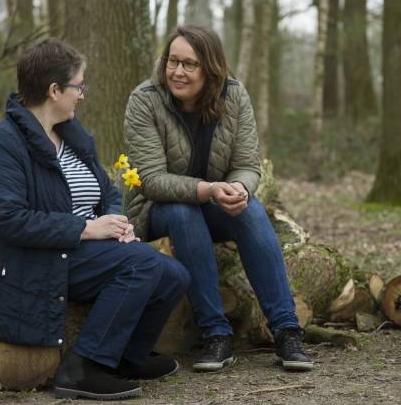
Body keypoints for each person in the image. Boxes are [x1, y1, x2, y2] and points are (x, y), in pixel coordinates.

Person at [0, 39, 190, 400]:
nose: (82, 95)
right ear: (54, 90)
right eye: (78, 87)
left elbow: (107, 192)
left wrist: (116, 222)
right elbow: (8, 219)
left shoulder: (72, 135)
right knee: (144, 266)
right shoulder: (5, 145)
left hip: (84, 248)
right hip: (38, 257)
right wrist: (86, 228)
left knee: (175, 275)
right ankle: (82, 367)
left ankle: (127, 357)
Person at [124, 26, 313, 373]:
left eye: (189, 64)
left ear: (211, 68)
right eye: (172, 61)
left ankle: (287, 331)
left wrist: (240, 188)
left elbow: (246, 165)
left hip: (214, 203)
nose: (177, 71)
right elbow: (151, 180)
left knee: (252, 211)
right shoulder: (145, 99)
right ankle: (215, 334)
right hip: (157, 210)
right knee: (182, 212)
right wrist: (208, 190)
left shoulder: (234, 95)